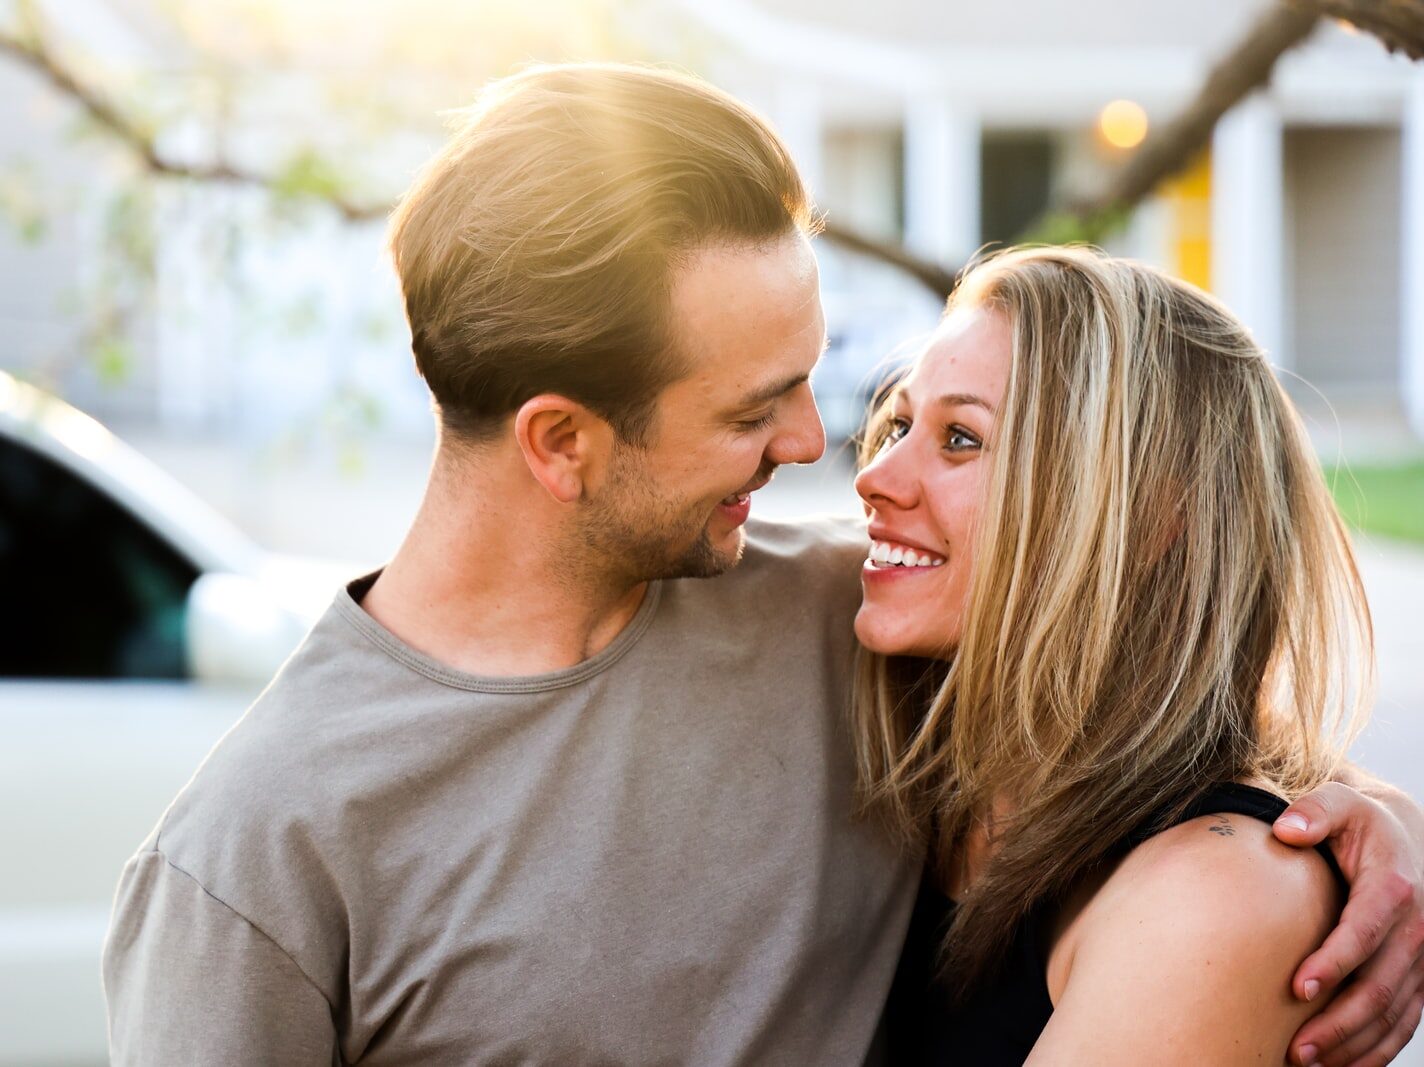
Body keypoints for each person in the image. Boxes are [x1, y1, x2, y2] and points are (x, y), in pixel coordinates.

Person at [102, 65, 1424, 1066]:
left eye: (818, 381)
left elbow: (1127, 669)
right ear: (562, 442)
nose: (819, 446)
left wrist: (1365, 823)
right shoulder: (254, 861)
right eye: (754, 409)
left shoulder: (841, 618)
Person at [852, 245, 1422, 1066]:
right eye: (900, 423)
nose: (874, 474)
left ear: (1150, 517)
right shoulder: (904, 730)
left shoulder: (1213, 896)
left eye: (962, 439)